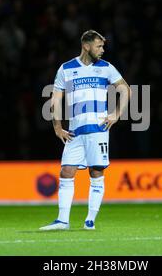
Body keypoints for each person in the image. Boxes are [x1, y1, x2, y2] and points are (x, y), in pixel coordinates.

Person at [40, 30, 130, 230]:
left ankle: (90, 220)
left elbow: (125, 88)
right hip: (75, 131)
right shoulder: (66, 69)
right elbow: (55, 98)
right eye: (99, 46)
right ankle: (62, 220)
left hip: (98, 129)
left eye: (103, 46)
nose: (102, 50)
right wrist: (57, 126)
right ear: (86, 46)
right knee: (66, 171)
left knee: (96, 171)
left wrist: (116, 114)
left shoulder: (106, 68)